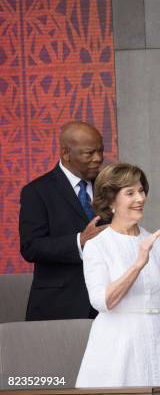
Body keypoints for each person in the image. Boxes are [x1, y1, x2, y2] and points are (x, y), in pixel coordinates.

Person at [75, 163, 160, 387]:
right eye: (130, 193)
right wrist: (138, 264)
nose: (140, 198)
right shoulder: (98, 245)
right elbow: (102, 301)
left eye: (141, 191)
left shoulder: (154, 240)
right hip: (117, 345)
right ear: (111, 201)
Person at [20, 121, 107, 321]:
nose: (98, 158)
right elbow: (31, 247)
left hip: (107, 305)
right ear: (66, 153)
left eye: (101, 151)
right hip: (58, 306)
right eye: (89, 153)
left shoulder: (108, 186)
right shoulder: (37, 192)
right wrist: (79, 241)